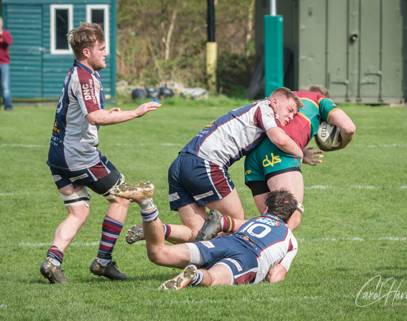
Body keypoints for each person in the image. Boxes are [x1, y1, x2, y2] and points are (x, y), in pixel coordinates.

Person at [40, 22, 161, 284]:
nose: (106, 53)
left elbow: (84, 112)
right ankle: (103, 262)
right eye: (102, 48)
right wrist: (135, 112)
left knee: (78, 212)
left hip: (58, 155)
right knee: (122, 198)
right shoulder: (84, 77)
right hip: (79, 155)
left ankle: (52, 261)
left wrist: (111, 112)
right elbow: (94, 116)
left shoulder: (81, 72)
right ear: (86, 52)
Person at [124, 87, 304, 246]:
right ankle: (228, 270)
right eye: (289, 110)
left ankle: (154, 229)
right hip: (205, 165)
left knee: (197, 232)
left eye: (294, 115)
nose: (290, 117)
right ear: (274, 101)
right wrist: (300, 153)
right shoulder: (265, 108)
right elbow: (279, 139)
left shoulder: (249, 110)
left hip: (179, 165)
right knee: (235, 223)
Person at [197, 85, 356, 240]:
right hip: (280, 152)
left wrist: (301, 152)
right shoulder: (320, 99)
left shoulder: (284, 98)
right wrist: (339, 145)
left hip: (253, 158)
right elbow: (349, 128)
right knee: (289, 219)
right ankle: (226, 224)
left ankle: (234, 249)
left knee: (269, 219)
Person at [113, 182, 298, 290]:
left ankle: (147, 204)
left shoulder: (256, 220)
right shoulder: (290, 239)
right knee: (212, 277)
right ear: (289, 218)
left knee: (159, 254)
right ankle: (195, 276)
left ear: (266, 209)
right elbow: (275, 276)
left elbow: (229, 224)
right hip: (249, 259)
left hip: (226, 242)